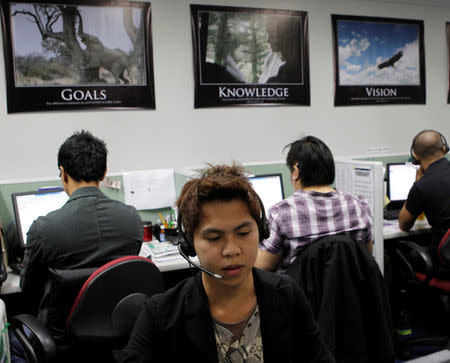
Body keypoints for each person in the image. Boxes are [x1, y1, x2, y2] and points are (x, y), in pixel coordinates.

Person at [119, 164, 333, 362]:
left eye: (243, 233)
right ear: (189, 243)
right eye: (214, 238)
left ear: (261, 232)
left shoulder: (288, 295)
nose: (232, 250)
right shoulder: (161, 315)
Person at [19, 130, 143, 342]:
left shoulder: (44, 228)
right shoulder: (132, 219)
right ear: (104, 173)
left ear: (63, 173)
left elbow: (27, 289)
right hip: (117, 336)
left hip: (63, 342)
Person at [255, 136, 373, 273]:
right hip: (351, 292)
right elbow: (366, 255)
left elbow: (263, 267)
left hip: (299, 294)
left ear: (296, 172)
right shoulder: (359, 206)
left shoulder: (281, 214)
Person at [399, 130, 450, 248]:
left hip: (443, 257)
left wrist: (416, 183)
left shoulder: (422, 186)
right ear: (444, 149)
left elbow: (404, 225)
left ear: (415, 155)